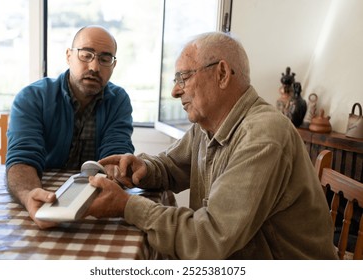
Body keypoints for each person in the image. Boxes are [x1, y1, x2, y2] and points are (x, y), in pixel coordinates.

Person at [91, 31, 337, 259]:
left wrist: (127, 205)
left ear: (221, 74)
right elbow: (172, 165)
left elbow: (208, 239)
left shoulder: (263, 135)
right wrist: (144, 167)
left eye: (183, 77)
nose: (175, 91)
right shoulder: (207, 125)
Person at [6, 25, 134, 229]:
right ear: (69, 56)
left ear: (113, 64)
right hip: (41, 194)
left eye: (105, 58)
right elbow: (22, 158)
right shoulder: (31, 98)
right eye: (86, 55)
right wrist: (28, 194)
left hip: (95, 200)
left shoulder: (118, 100)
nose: (94, 66)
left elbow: (116, 151)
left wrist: (115, 174)